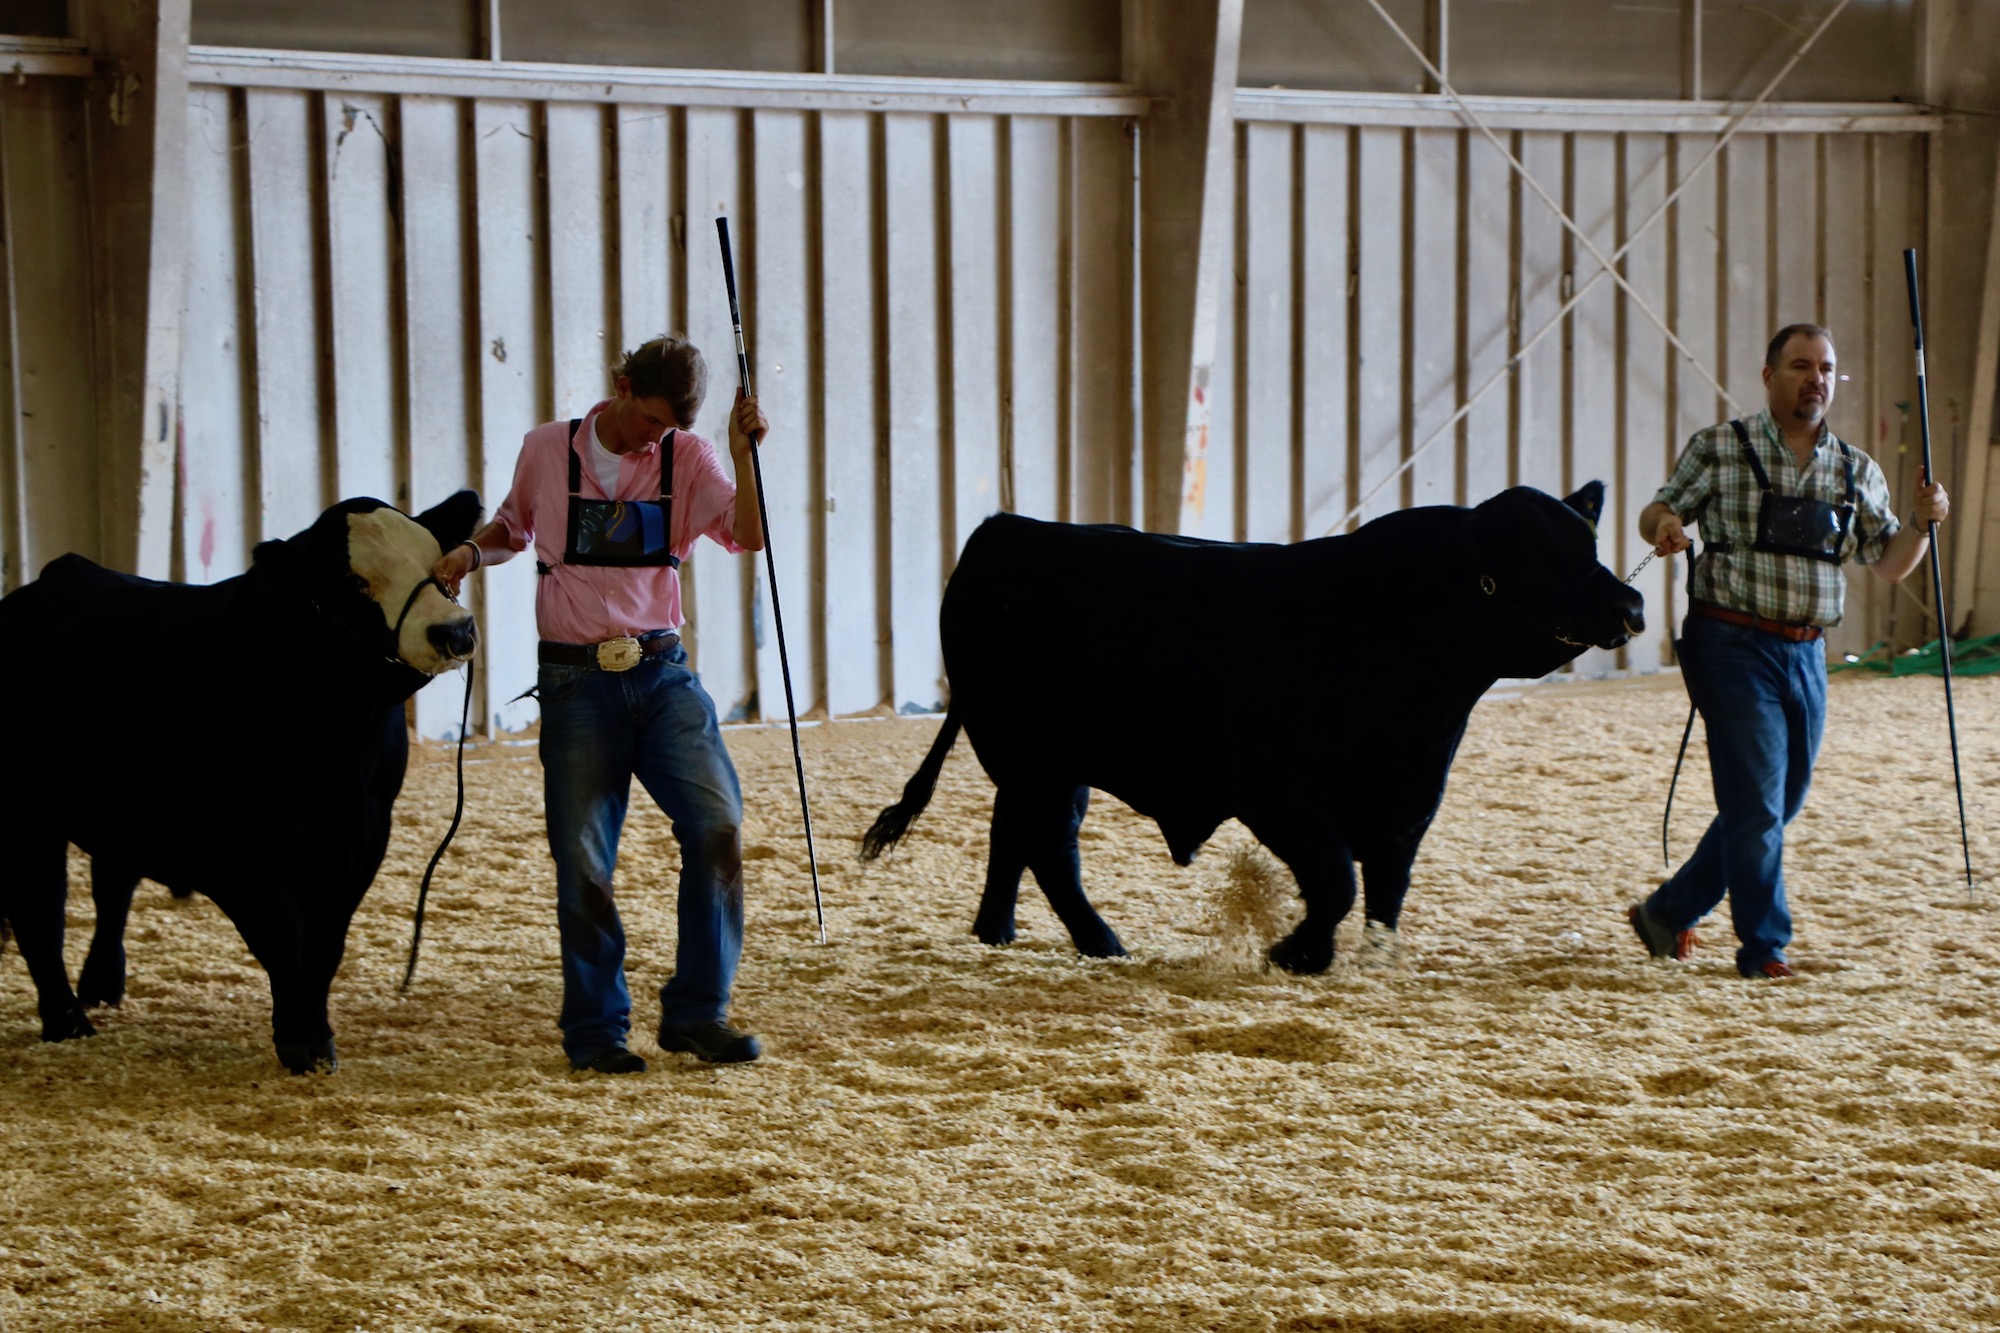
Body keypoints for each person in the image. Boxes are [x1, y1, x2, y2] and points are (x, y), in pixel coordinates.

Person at [436, 334, 769, 1071]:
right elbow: (512, 528)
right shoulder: (547, 449)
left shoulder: (689, 457)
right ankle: (595, 1031)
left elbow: (747, 534)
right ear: (620, 385)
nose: (657, 435)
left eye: (670, 425)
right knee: (583, 857)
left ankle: (696, 1012)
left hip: (661, 671)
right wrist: (468, 552)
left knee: (718, 825)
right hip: (575, 682)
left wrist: (741, 455)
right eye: (650, 419)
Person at [1628, 323, 1949, 979]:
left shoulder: (1856, 467)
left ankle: (1668, 909)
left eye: (1827, 368)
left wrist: (1922, 520)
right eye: (1802, 366)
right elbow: (1661, 508)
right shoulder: (1720, 447)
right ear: (1770, 374)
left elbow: (1890, 564)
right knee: (1757, 806)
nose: (1817, 379)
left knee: (1777, 801)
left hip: (1807, 652)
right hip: (1730, 643)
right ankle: (1764, 948)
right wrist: (1664, 526)